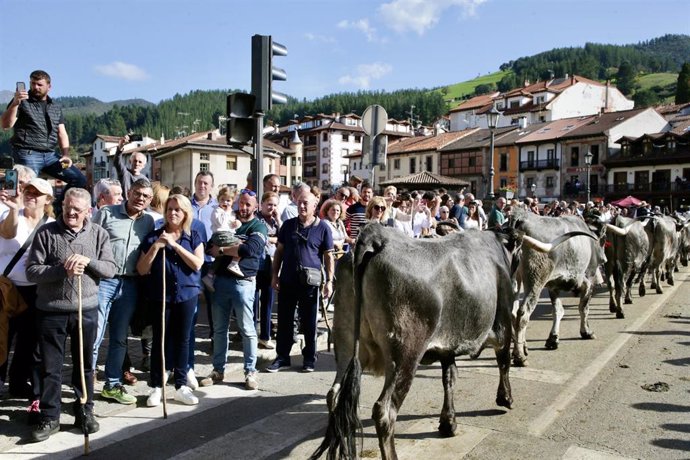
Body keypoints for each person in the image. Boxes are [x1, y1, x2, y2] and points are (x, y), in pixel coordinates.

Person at [26, 188, 116, 442]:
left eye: (77, 209)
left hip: (85, 310)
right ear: (61, 206)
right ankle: (50, 415)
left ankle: (84, 410)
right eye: (68, 207)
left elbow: (109, 269)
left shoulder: (98, 234)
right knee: (50, 367)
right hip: (50, 311)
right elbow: (32, 271)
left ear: (89, 211)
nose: (71, 213)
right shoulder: (46, 232)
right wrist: (61, 271)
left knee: (84, 365)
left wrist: (87, 262)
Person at [137, 194, 205, 407]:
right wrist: (157, 246)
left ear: (185, 213)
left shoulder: (193, 235)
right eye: (169, 209)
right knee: (160, 339)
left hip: (187, 294)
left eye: (177, 209)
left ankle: (181, 385)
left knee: (183, 339)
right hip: (161, 296)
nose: (173, 213)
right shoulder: (153, 236)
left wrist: (175, 246)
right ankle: (157, 386)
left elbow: (197, 264)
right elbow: (141, 269)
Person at [92, 179, 154, 404]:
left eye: (146, 196)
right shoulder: (106, 213)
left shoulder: (148, 221)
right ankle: (86, 382)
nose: (140, 199)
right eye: (137, 193)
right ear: (129, 192)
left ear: (150, 200)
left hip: (130, 285)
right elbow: (90, 241)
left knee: (120, 338)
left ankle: (112, 384)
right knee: (95, 335)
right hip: (103, 281)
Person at [200, 189, 267, 390]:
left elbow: (249, 250)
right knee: (219, 330)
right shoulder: (228, 219)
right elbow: (209, 245)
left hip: (244, 283)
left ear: (256, 207)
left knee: (247, 330)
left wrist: (221, 250)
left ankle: (250, 372)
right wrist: (227, 247)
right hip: (220, 281)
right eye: (242, 203)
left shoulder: (258, 226)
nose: (244, 208)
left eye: (249, 204)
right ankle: (218, 370)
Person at [0, 177, 54, 418]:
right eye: (28, 190)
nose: (31, 195)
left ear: (48, 199)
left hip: (36, 290)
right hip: (6, 288)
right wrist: (13, 209)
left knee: (28, 342)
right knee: (2, 338)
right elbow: (8, 233)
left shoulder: (51, 224)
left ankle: (18, 383)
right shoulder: (11, 215)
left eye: (37, 192)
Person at [0, 70, 87, 215]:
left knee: (79, 179)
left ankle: (57, 210)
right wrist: (15, 103)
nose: (35, 87)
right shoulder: (21, 102)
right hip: (27, 152)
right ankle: (20, 216)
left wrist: (66, 154)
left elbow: (62, 133)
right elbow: (6, 125)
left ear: (49, 87)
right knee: (29, 186)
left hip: (50, 155)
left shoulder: (55, 107)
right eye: (32, 83)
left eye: (39, 84)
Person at [267, 191, 334, 373]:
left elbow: (328, 256)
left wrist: (329, 281)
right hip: (288, 280)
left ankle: (309, 358)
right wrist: (275, 275)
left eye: (306, 203)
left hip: (310, 283)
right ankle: (282, 358)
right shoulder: (288, 225)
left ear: (314, 206)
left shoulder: (323, 228)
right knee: (285, 321)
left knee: (310, 322)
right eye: (299, 203)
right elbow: (279, 252)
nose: (302, 206)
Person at [201, 187, 243, 293]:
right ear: (218, 200)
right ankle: (234, 263)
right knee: (240, 245)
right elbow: (220, 223)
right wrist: (226, 211)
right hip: (220, 235)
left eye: (228, 200)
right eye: (222, 199)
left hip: (227, 234)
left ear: (233, 201)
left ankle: (209, 275)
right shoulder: (217, 211)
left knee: (220, 257)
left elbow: (232, 225)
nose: (225, 202)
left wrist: (237, 223)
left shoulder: (232, 212)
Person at [255, 191, 282, 349]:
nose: (272, 208)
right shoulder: (257, 219)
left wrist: (278, 219)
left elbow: (285, 237)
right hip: (257, 264)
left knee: (267, 302)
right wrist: (274, 239)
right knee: (253, 303)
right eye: (269, 204)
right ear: (262, 204)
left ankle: (265, 336)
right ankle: (252, 335)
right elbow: (260, 237)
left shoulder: (275, 221)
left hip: (272, 265)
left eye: (275, 205)